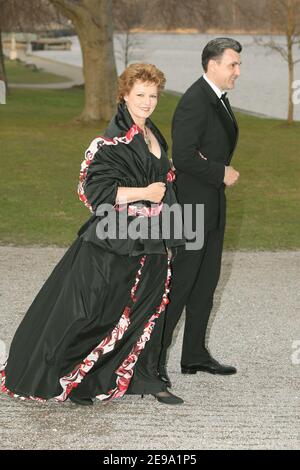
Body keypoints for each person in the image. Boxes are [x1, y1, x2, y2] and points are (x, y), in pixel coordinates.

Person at [0, 63, 185, 406]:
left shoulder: (153, 134)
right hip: (115, 237)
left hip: (152, 236)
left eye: (153, 95)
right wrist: (144, 191)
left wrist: (172, 228)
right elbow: (92, 192)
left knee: (148, 307)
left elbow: (165, 182)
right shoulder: (110, 142)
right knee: (90, 311)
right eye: (140, 95)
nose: (147, 102)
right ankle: (71, 376)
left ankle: (142, 378)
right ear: (124, 95)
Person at [158, 38, 242, 387]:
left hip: (211, 205)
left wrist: (217, 175)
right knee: (180, 286)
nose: (238, 71)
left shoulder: (216, 99)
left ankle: (193, 354)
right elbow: (184, 157)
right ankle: (153, 362)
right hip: (192, 209)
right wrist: (220, 172)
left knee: (205, 285)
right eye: (232, 64)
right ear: (212, 65)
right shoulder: (195, 100)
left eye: (238, 64)